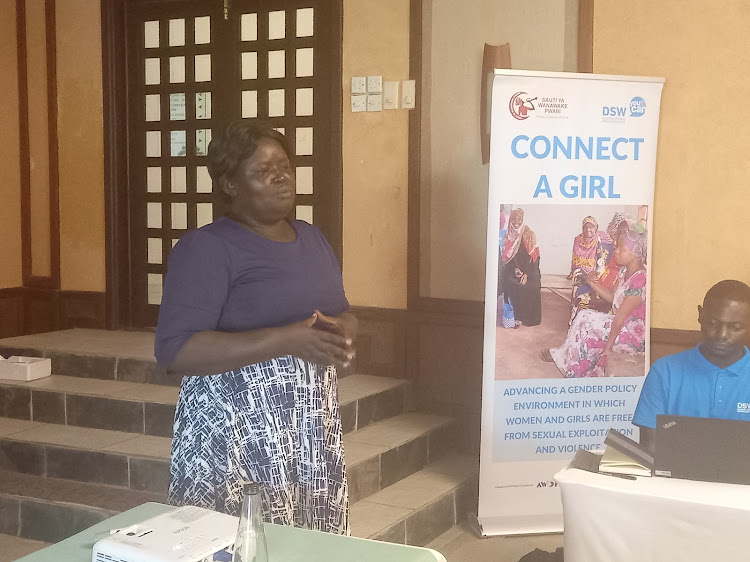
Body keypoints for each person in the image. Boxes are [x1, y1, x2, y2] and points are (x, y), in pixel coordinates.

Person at [154, 121, 356, 534]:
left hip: (309, 422)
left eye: (284, 166)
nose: (281, 177)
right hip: (235, 428)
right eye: (264, 171)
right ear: (230, 185)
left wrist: (345, 329)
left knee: (307, 539)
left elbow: (344, 312)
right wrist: (288, 339)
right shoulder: (207, 247)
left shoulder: (312, 239)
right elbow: (175, 352)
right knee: (238, 540)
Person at [634, 280, 750, 451]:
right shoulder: (665, 372)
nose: (722, 335)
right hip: (673, 478)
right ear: (700, 315)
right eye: (714, 324)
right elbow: (651, 451)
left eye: (735, 327)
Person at [541, 222, 647, 377]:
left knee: (588, 327)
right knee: (583, 315)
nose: (615, 251)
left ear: (636, 254)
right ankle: (565, 357)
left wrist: (608, 349)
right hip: (621, 323)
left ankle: (576, 370)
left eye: (621, 249)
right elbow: (612, 297)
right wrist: (591, 281)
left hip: (632, 335)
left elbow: (620, 317)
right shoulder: (625, 270)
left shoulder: (641, 280)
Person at [570, 213, 628, 322]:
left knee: (582, 299)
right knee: (580, 284)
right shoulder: (613, 245)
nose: (608, 226)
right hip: (600, 279)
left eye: (611, 224)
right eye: (585, 226)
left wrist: (594, 281)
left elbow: (605, 266)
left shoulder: (610, 245)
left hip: (606, 290)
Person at [501, 208, 542, 327]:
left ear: (523, 219)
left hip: (530, 269)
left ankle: (529, 318)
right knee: (510, 281)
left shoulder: (529, 234)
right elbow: (508, 259)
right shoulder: (508, 235)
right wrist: (516, 270)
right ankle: (516, 317)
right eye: (514, 219)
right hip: (514, 269)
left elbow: (535, 257)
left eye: (519, 219)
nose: (516, 222)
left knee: (531, 285)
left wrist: (527, 274)